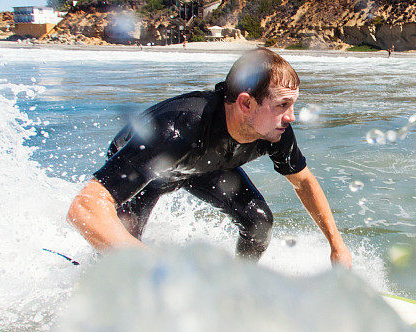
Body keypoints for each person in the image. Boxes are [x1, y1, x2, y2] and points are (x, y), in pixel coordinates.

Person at [67, 48, 352, 267]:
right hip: (149, 169)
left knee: (258, 221)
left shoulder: (273, 130)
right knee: (124, 245)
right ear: (246, 103)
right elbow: (84, 207)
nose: (290, 116)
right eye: (283, 104)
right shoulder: (174, 130)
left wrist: (336, 245)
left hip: (202, 166)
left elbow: (303, 182)